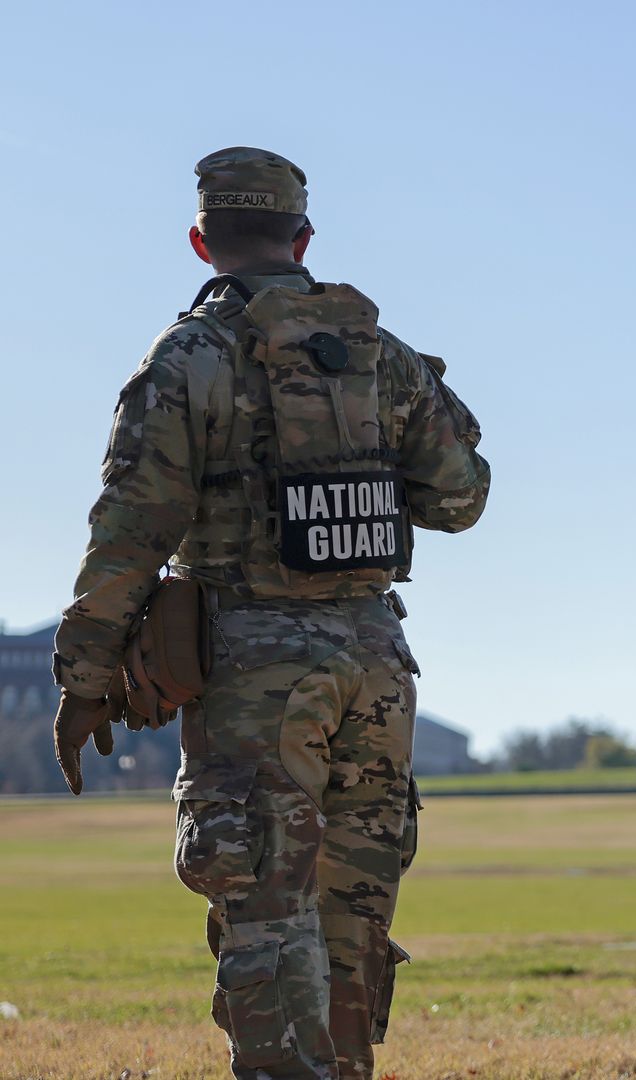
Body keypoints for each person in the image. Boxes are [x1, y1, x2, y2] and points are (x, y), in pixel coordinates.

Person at [50, 147, 489, 1080]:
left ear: (202, 240)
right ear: (303, 237)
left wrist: (88, 677)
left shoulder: (188, 358)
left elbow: (130, 529)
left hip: (254, 672)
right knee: (351, 920)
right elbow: (461, 498)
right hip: (376, 665)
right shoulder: (384, 355)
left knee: (263, 911)